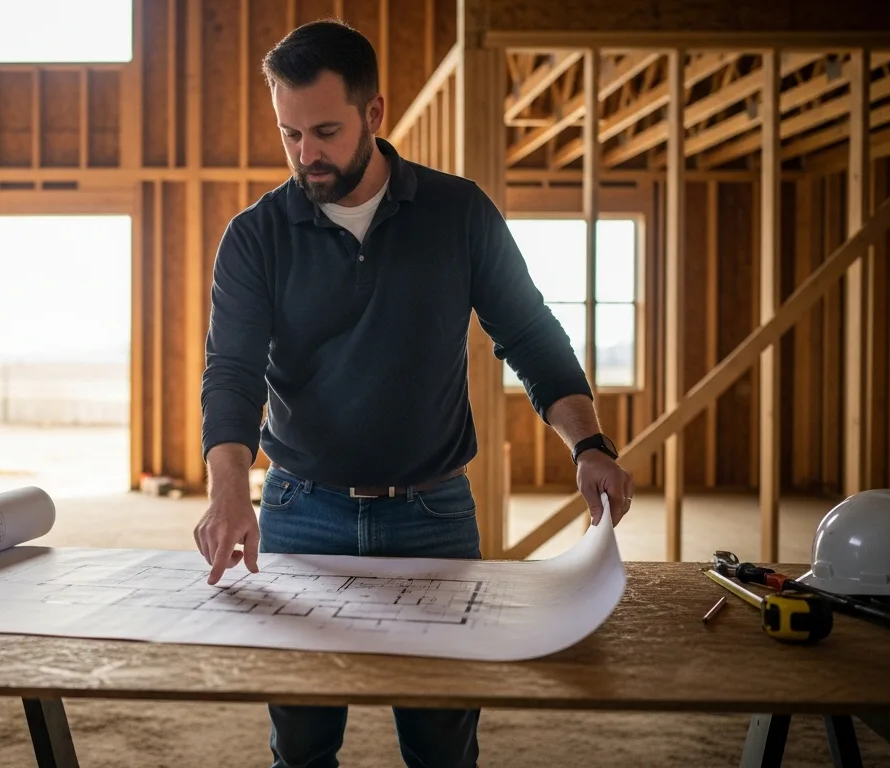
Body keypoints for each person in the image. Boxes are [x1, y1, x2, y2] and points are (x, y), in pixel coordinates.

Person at [193, 18, 635, 768]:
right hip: (301, 512)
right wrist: (227, 491)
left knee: (441, 743)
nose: (307, 155)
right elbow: (231, 373)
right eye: (289, 134)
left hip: (433, 513)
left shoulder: (458, 213)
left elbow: (528, 338)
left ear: (374, 114)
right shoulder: (254, 236)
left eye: (325, 131)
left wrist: (588, 444)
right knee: (300, 746)